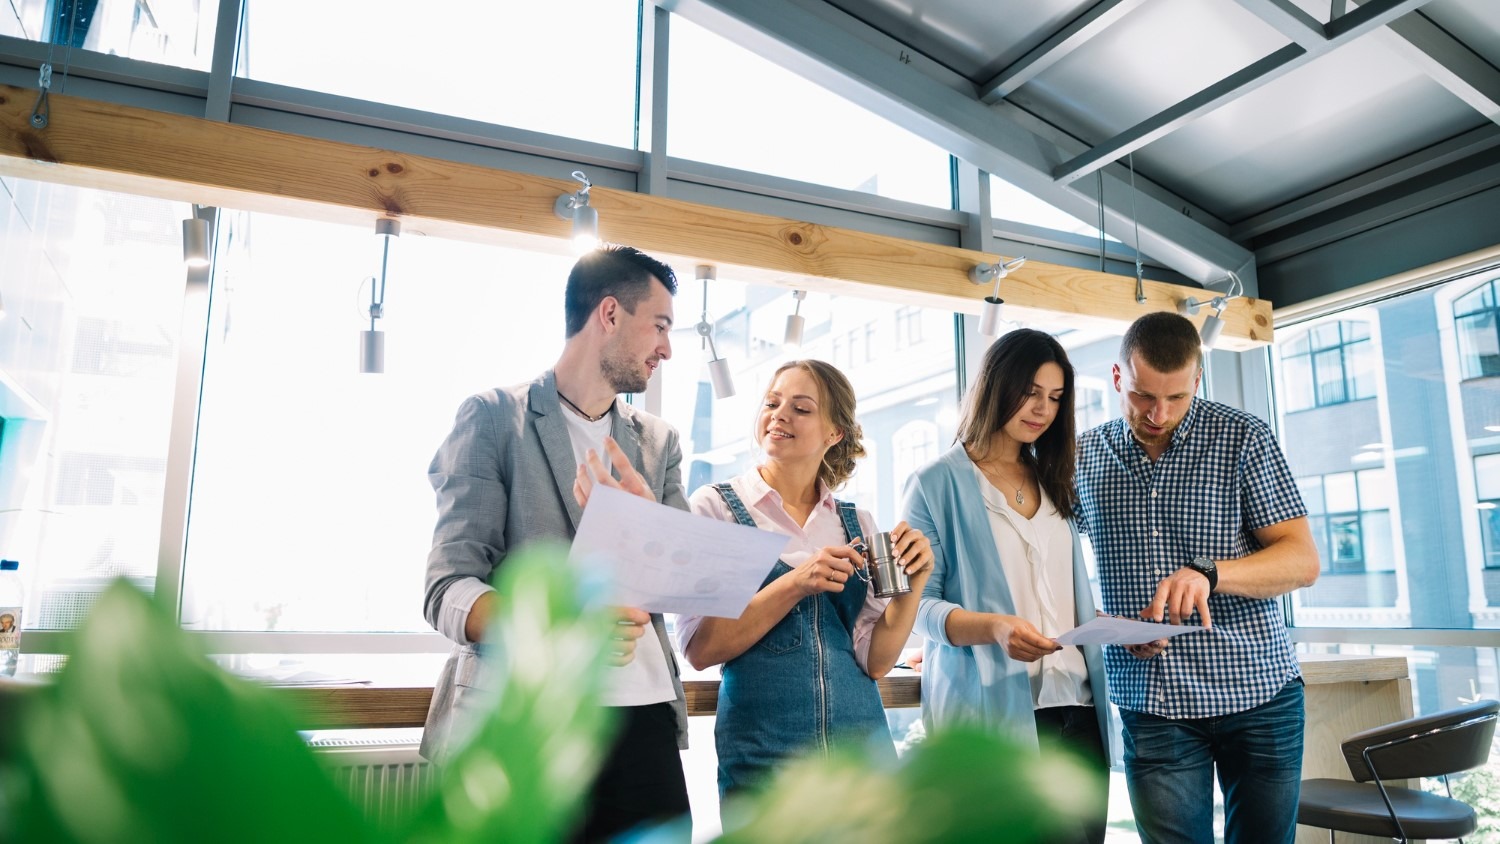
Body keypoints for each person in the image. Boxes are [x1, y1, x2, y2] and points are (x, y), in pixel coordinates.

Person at [421, 245, 691, 843]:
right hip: (530, 725)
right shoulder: (493, 418)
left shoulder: (660, 442)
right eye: (661, 326)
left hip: (643, 723)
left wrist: (646, 522)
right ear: (610, 314)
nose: (667, 349)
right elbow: (446, 589)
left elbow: (680, 584)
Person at [1075, 311, 1319, 844]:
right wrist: (1109, 625)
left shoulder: (1242, 437)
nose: (1158, 414)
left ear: (1198, 380)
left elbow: (1302, 561)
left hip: (1259, 694)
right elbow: (1046, 569)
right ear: (1117, 378)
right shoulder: (1081, 458)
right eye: (1142, 395)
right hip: (1153, 703)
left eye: (1177, 397)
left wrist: (1210, 573)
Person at [673, 359, 934, 799]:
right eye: (772, 403)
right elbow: (700, 648)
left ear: (835, 434)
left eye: (801, 408)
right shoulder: (715, 508)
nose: (779, 415)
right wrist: (796, 582)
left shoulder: (857, 522)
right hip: (765, 763)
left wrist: (916, 582)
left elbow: (875, 661)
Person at [902, 328, 1110, 844]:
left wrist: (1111, 630)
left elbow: (1062, 593)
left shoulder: (1054, 477)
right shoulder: (935, 482)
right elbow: (919, 608)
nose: (1043, 409)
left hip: (1078, 710)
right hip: (992, 717)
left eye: (1055, 398)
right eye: (1031, 392)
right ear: (997, 385)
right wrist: (994, 628)